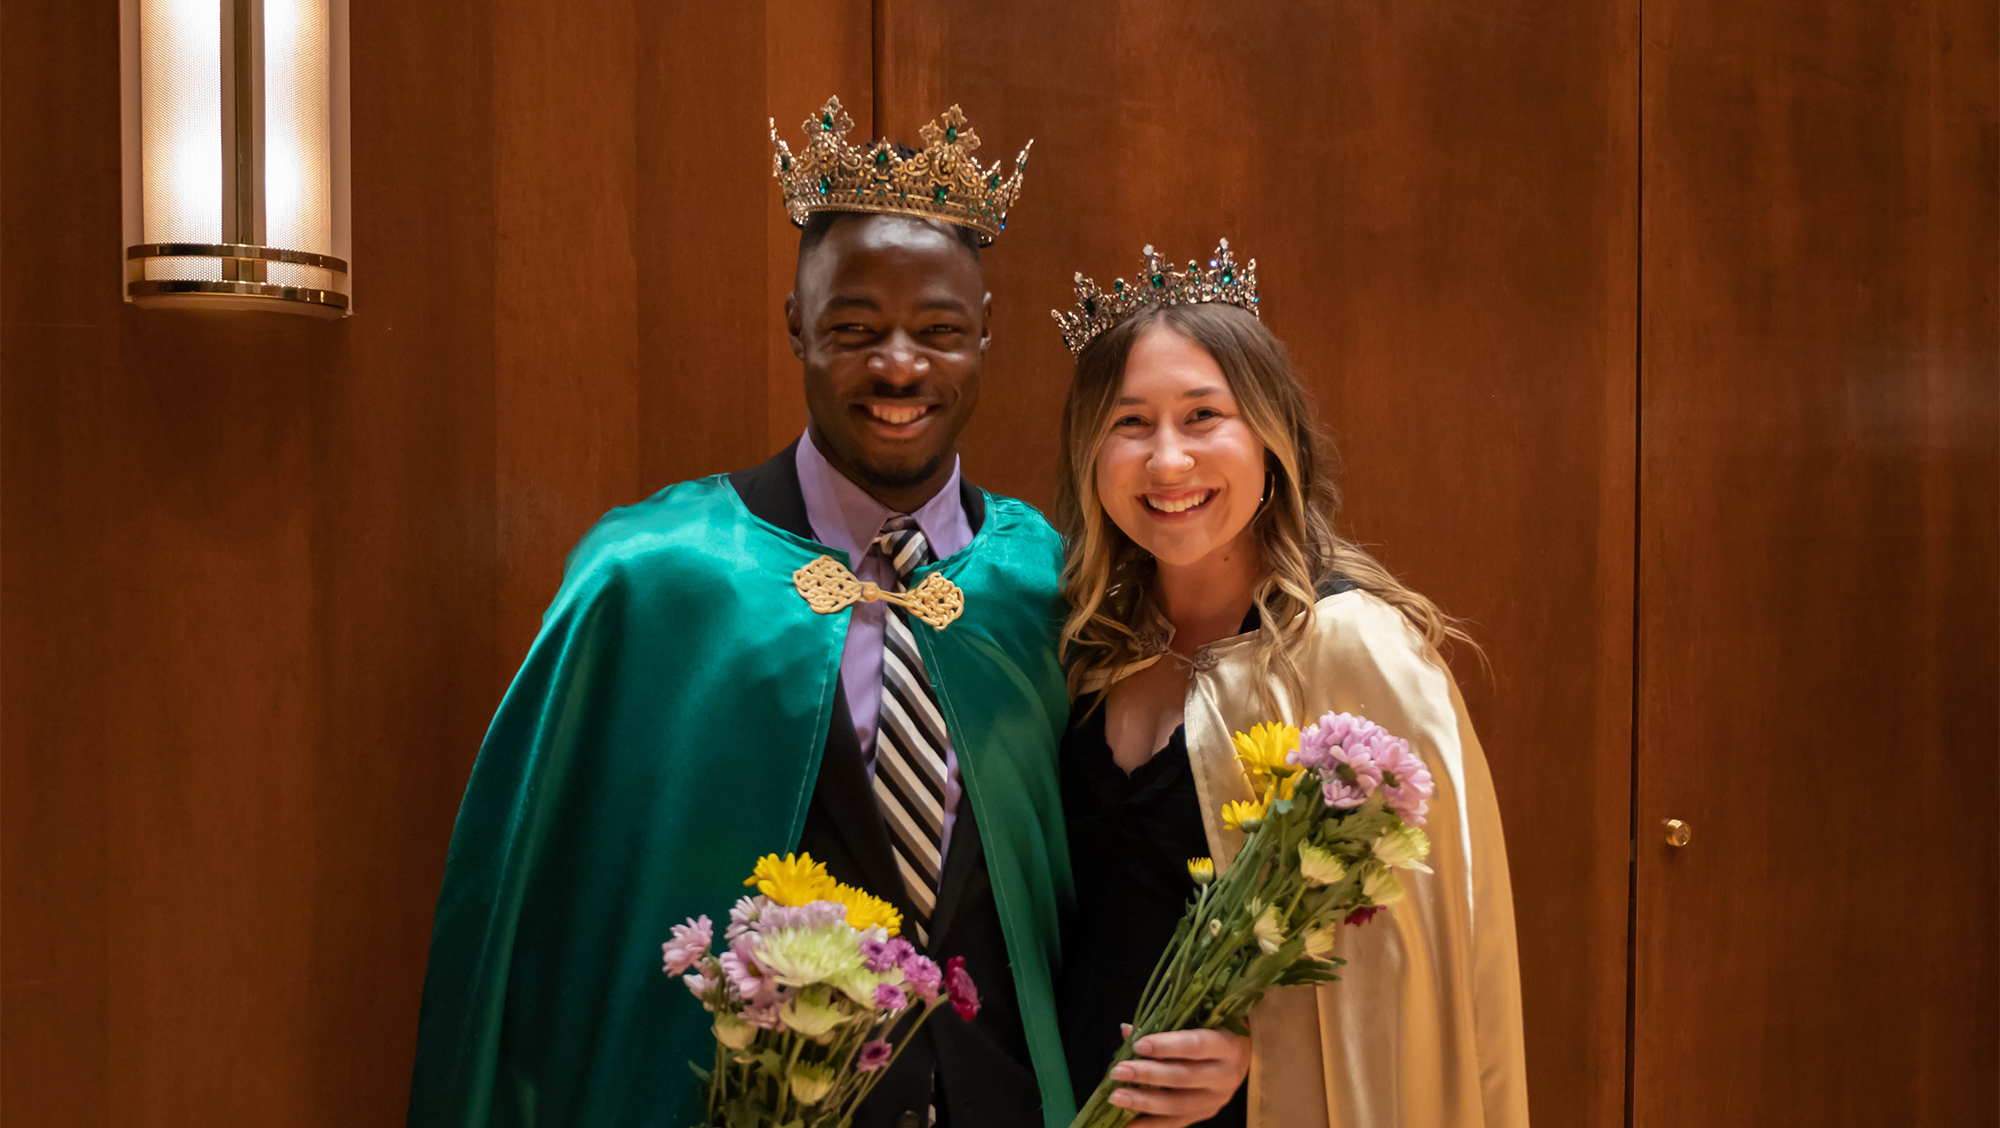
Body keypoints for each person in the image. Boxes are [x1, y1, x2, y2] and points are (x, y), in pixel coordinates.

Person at [407, 97, 1073, 1128]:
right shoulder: (654, 578)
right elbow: (538, 911)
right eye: (854, 328)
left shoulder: (1041, 580)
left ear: (984, 335)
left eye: (938, 331)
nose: (899, 365)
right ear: (795, 326)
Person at [1049, 241, 1530, 1127]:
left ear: (1270, 438)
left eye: (1203, 416)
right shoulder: (1088, 646)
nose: (1167, 462)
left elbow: (1414, 972)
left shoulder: (1352, 650)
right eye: (1130, 423)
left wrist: (1260, 1053)